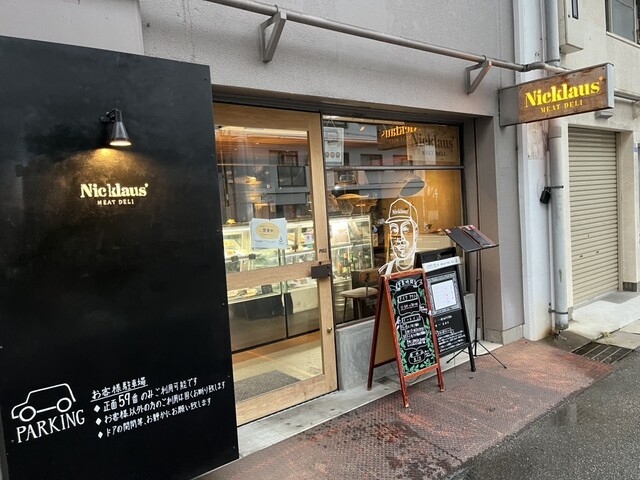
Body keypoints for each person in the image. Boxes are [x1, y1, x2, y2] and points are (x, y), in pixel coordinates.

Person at [381, 197, 418, 274]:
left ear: (416, 232)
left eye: (405, 230)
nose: (400, 238)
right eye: (394, 231)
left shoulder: (425, 267)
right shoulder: (385, 271)